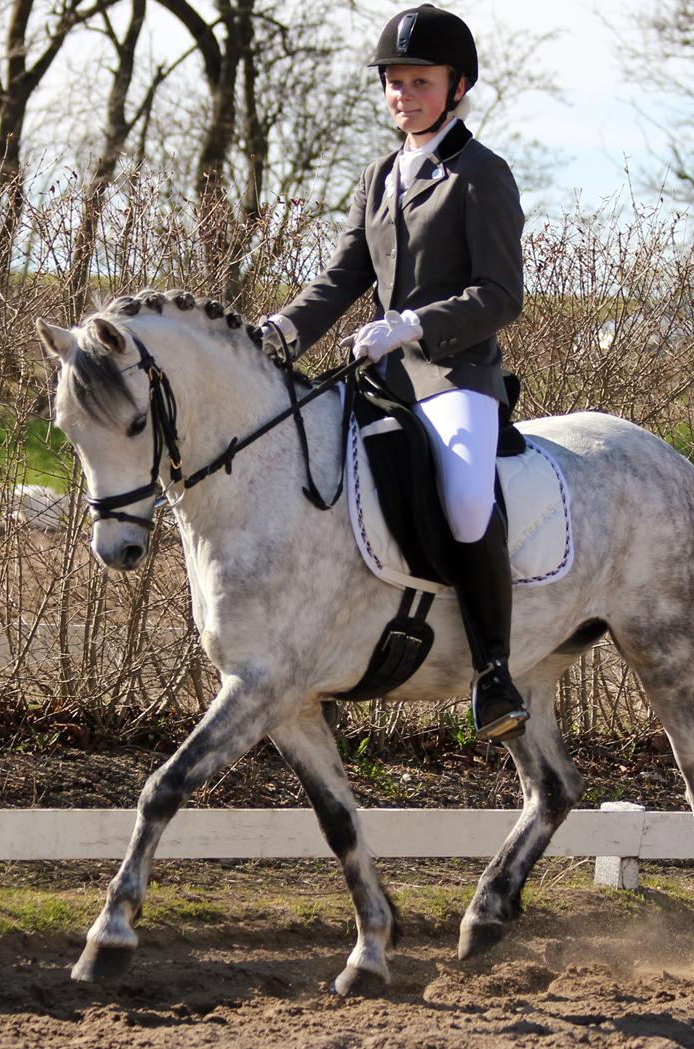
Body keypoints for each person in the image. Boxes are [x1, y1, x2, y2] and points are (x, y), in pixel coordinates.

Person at [257, 4, 528, 742]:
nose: (404, 94)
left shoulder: (481, 175)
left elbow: (501, 295)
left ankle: (495, 671)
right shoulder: (380, 174)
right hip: (377, 377)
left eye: (420, 81)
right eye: (395, 82)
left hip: (454, 376)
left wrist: (414, 324)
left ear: (457, 84)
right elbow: (344, 276)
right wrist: (283, 328)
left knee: (469, 500)